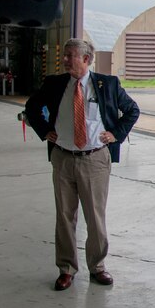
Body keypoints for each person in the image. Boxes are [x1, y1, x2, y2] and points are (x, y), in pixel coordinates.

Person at [25, 39, 140, 291]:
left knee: (95, 217)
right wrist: (44, 130)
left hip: (95, 160)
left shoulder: (107, 84)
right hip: (63, 158)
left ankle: (97, 266)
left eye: (70, 55)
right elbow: (32, 107)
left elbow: (132, 110)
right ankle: (66, 269)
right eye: (65, 55)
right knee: (65, 216)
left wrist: (116, 134)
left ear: (86, 59)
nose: (65, 60)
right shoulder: (55, 83)